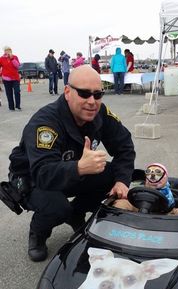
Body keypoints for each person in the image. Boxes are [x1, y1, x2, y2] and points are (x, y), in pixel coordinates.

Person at [6, 65, 135, 262]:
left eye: (98, 94)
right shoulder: (45, 123)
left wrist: (121, 181)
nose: (92, 101)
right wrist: (80, 167)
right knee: (57, 208)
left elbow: (124, 146)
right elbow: (42, 172)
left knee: (112, 175)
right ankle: (38, 232)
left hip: (72, 170)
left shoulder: (100, 113)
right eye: (84, 94)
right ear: (67, 92)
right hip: (33, 177)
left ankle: (76, 213)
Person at [0, 46, 21, 111]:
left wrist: (12, 58)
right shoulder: (1, 58)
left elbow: (17, 66)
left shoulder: (15, 57)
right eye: (6, 50)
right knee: (9, 93)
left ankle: (17, 105)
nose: (7, 51)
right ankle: (11, 107)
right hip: (6, 79)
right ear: (4, 51)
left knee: (17, 92)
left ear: (11, 51)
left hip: (15, 78)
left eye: (9, 50)